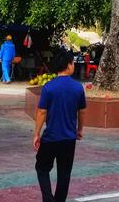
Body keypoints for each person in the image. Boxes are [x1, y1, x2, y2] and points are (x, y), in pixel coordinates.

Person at [33, 48, 86, 202]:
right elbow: (81, 112)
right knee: (64, 173)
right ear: (68, 65)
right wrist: (79, 130)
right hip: (69, 138)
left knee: (42, 168)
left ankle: (48, 199)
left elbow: (42, 112)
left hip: (50, 138)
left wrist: (37, 133)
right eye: (73, 63)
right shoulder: (77, 88)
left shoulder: (49, 87)